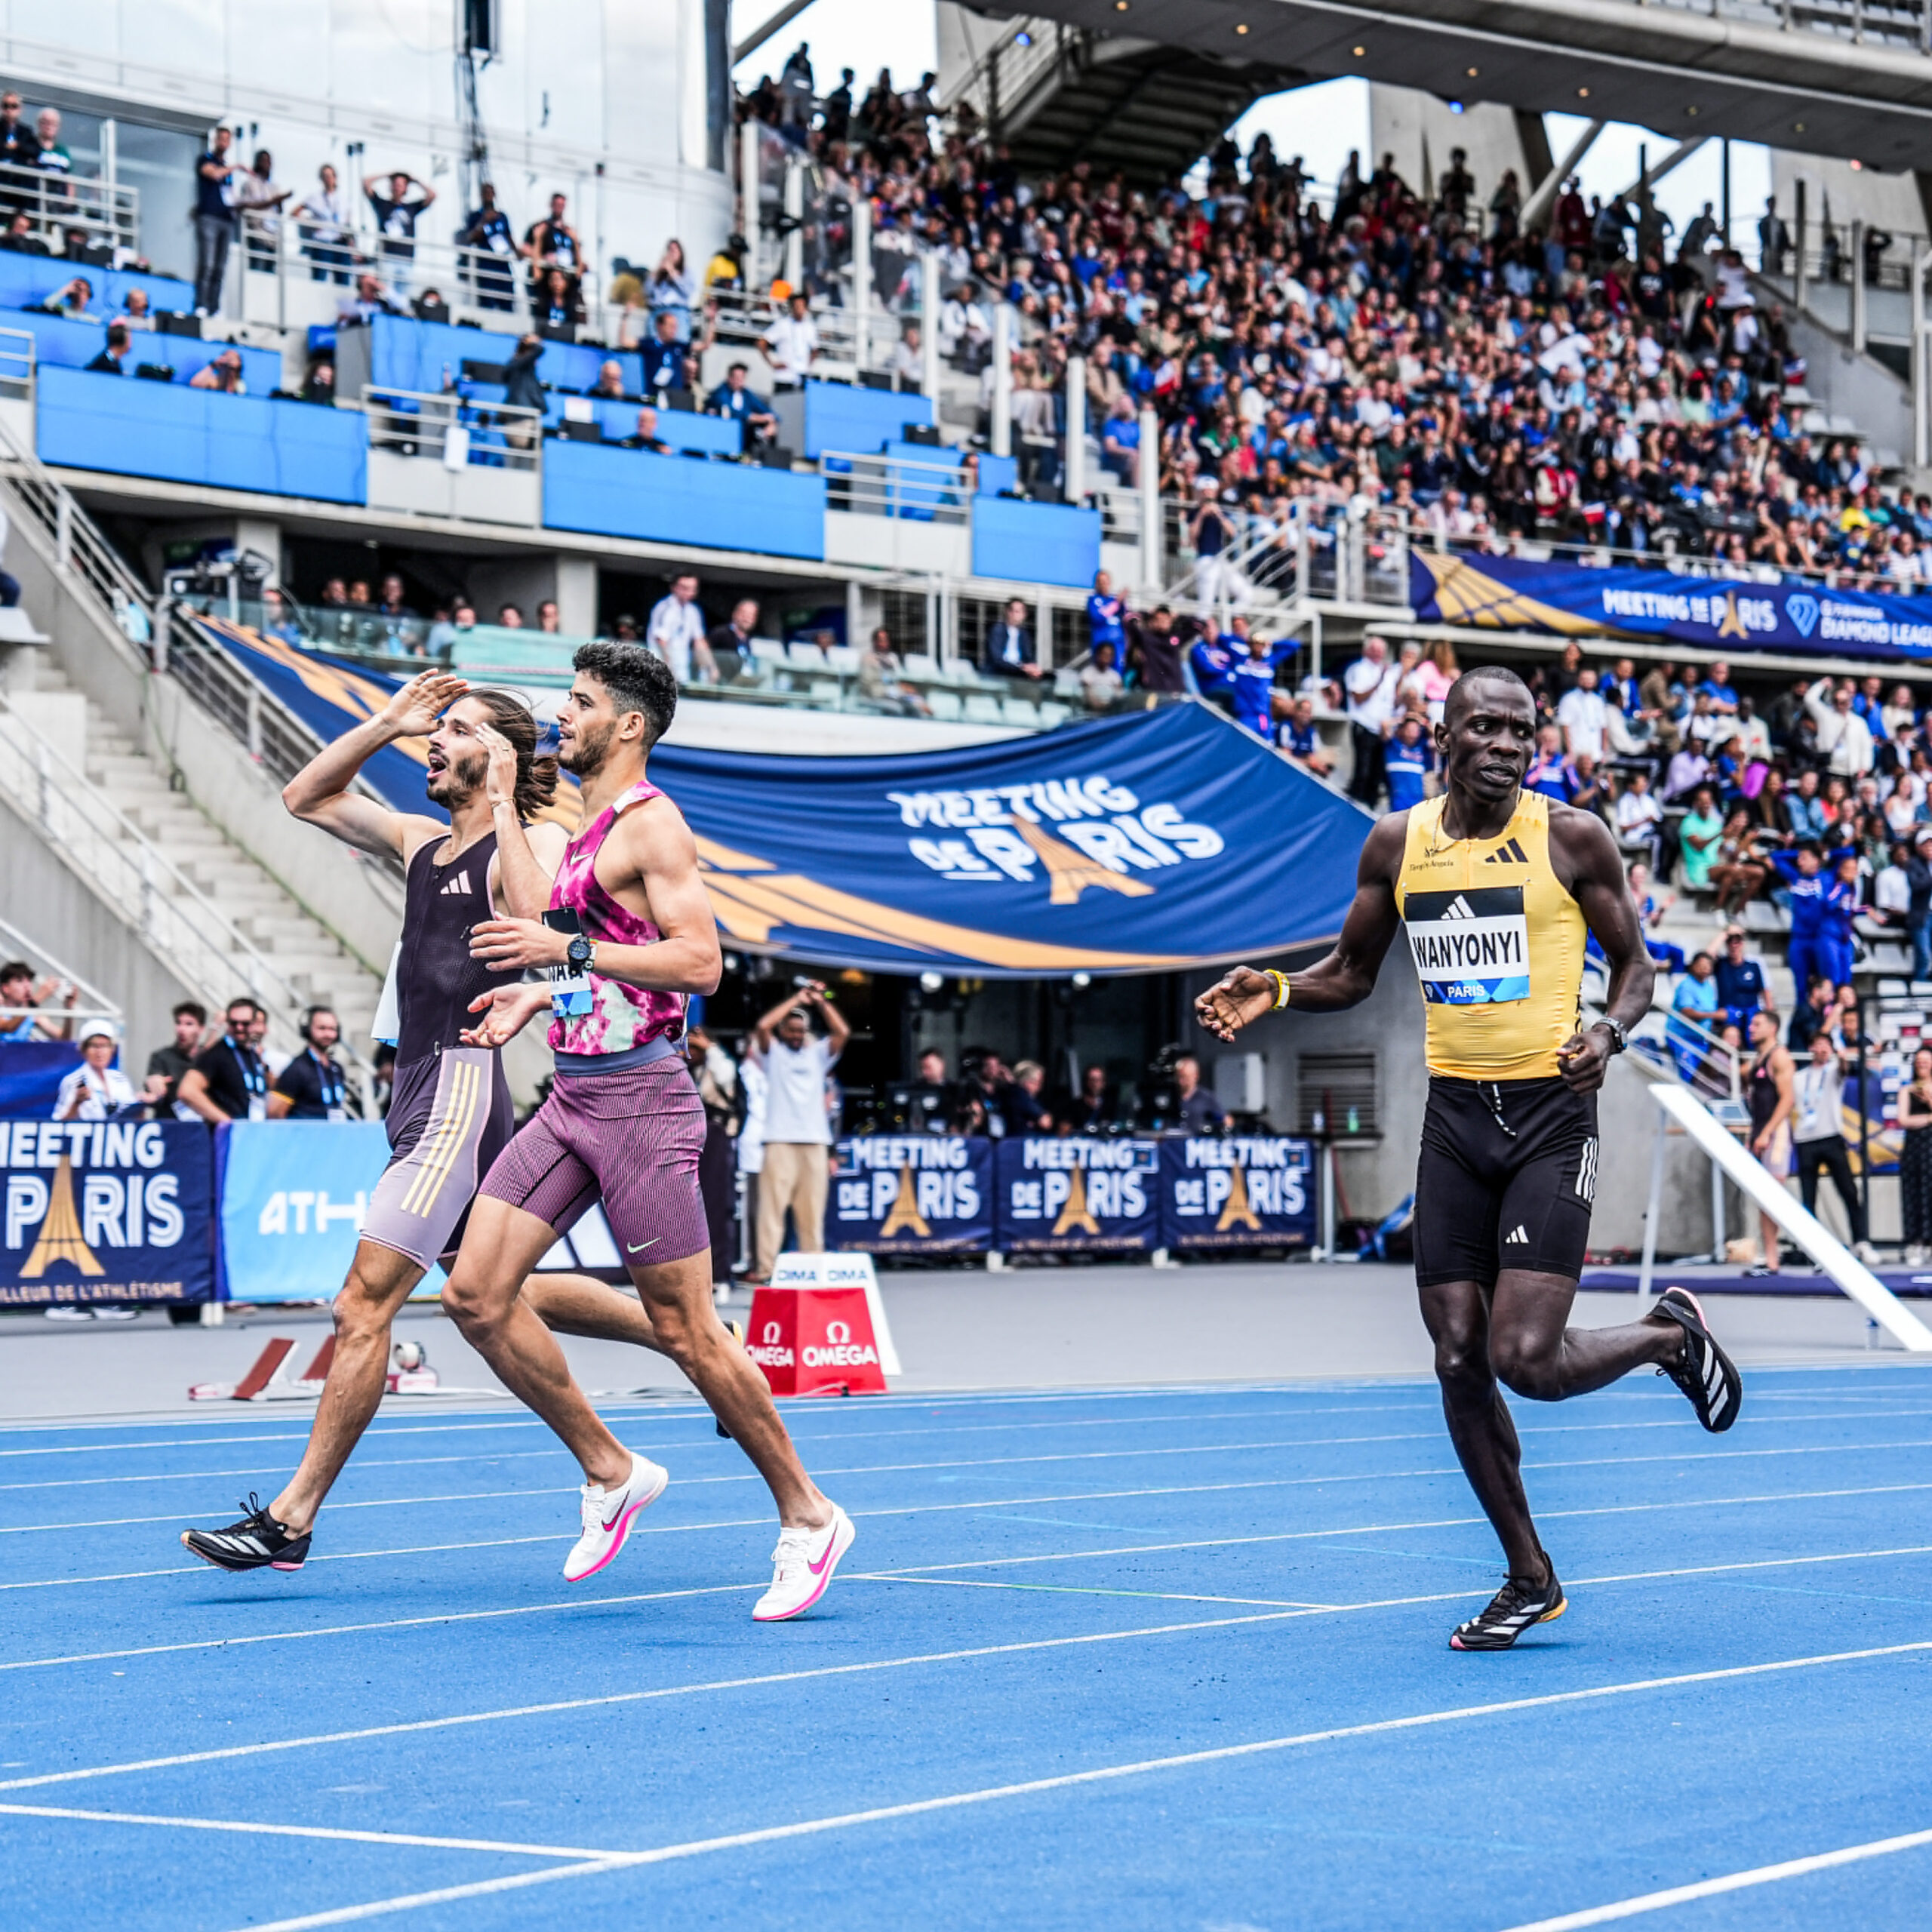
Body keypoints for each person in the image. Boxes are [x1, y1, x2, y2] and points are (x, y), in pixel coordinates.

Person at [1195, 665, 1740, 1651]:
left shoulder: (1571, 838)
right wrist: (1273, 988)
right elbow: (1352, 974)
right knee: (1456, 1358)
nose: (1502, 745)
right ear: (1437, 735)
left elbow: (1638, 968)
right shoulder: (1399, 844)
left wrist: (1609, 1035)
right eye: (1481, 727)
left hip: (1549, 1118)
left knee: (1522, 1358)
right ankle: (1528, 1574)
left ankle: (1667, 1335)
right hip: (1454, 1123)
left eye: (1519, 732)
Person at [180, 673, 664, 1574]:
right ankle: (661, 1376)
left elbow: (547, 925)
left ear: (505, 756)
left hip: (461, 1087)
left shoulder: (540, 837)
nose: (434, 741)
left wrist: (508, 803)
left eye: (456, 729)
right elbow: (305, 796)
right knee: (496, 1295)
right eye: (434, 728)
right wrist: (385, 723)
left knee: (363, 1304)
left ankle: (291, 1519)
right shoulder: (419, 842)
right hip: (417, 1093)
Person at [445, 641, 855, 1620]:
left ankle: (808, 1515)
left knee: (684, 1326)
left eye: (580, 705)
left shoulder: (651, 826)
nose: (564, 719)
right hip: (573, 1094)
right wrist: (533, 1000)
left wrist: (561, 950)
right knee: (473, 1295)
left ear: (629, 724)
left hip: (643, 1102)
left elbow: (699, 965)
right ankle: (611, 1466)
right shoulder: (586, 831)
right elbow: (586, 955)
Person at [746, 979, 849, 1283]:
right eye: (791, 1030)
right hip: (778, 1139)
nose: (796, 1035)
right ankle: (766, 1269)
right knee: (771, 1212)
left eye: (800, 1031)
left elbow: (841, 1032)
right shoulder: (772, 1053)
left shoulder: (817, 1053)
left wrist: (820, 1002)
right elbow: (763, 1025)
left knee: (811, 1211)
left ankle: (812, 1268)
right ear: (784, 1032)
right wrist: (797, 999)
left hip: (815, 1141)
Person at [1791, 1029, 1875, 1259]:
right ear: (1810, 1048)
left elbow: (1842, 1069)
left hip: (1831, 1138)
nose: (1820, 1049)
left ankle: (1861, 1241)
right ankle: (1811, 1247)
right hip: (1805, 1140)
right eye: (1817, 1044)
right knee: (1808, 1197)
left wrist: (1839, 1055)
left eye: (1824, 1045)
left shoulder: (1833, 1073)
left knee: (1848, 1190)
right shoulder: (1799, 1077)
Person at [1743, 1010, 1795, 1276]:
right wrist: (1754, 1134)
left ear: (1772, 1028)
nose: (1751, 1028)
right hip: (1761, 1131)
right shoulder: (1758, 1059)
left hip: (1777, 1135)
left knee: (1774, 1198)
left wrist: (1767, 1133)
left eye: (1757, 1024)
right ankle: (1771, 1258)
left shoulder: (1779, 1056)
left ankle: (1788, 1254)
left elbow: (1787, 1100)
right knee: (1765, 1200)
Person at [175, 998, 269, 1124]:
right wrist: (226, 1121)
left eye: (245, 1023)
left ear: (254, 1024)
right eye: (233, 1023)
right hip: (226, 1136)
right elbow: (187, 1091)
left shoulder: (253, 1054)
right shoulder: (216, 1054)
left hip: (251, 1132)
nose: (239, 1028)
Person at [1341, 635, 1398, 807]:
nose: (1377, 654)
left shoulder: (1388, 673)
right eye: (1374, 650)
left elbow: (1389, 702)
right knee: (1362, 771)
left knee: (1377, 775)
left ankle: (1370, 809)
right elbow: (1358, 697)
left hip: (1380, 729)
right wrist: (1377, 682)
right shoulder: (1358, 669)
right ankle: (1355, 806)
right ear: (1366, 651)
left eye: (1380, 651)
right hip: (1363, 725)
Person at [269, 1008, 351, 1120]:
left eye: (332, 1029)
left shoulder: (336, 1068)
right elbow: (275, 1114)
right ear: (307, 1030)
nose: (327, 1034)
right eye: (322, 1028)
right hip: (304, 1135)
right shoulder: (296, 1069)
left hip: (333, 1134)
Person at [193, 125, 241, 315]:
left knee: (220, 268)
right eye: (221, 139)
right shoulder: (205, 159)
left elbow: (231, 195)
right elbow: (213, 173)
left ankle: (214, 307)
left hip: (226, 220)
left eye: (226, 140)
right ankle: (201, 304)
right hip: (209, 218)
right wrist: (236, 167)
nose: (223, 143)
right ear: (215, 140)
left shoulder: (227, 171)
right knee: (207, 264)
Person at [54, 1027, 139, 1121]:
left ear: (112, 1050)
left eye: (105, 1046)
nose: (99, 1052)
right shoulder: (72, 1081)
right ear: (84, 1050)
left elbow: (134, 1119)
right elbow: (59, 1124)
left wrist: (141, 1104)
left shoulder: (121, 1079)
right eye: (94, 1046)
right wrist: (76, 1103)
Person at [647, 571, 715, 685]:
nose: (689, 592)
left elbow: (699, 640)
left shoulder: (693, 611)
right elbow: (661, 640)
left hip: (682, 671)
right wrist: (669, 668)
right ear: (674, 588)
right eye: (684, 588)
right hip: (660, 667)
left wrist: (712, 667)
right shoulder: (664, 607)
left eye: (692, 589)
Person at [1897, 1045, 1932, 1265]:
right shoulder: (1906, 1091)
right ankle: (1914, 1243)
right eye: (1918, 1061)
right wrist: (1929, 1119)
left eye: (1926, 1061)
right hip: (1913, 1148)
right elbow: (1903, 1120)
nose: (1922, 1065)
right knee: (1912, 1193)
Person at [143, 1001, 207, 1118]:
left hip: (202, 1130)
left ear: (201, 1029)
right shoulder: (161, 1057)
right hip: (170, 1129)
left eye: (189, 1024)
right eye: (178, 1023)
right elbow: (154, 1083)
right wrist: (153, 1084)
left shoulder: (208, 1059)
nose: (181, 1029)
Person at [0, 960, 75, 1041]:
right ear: (6, 988)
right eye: (20, 981)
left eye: (29, 980)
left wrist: (69, 1009)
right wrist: (38, 998)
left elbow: (64, 1039)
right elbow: (9, 1027)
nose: (27, 985)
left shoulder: (34, 1014)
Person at [983, 597, 1041, 680]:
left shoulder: (1024, 634)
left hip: (1018, 673)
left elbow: (1028, 657)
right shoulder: (998, 630)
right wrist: (1021, 667)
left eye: (1018, 612)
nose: (1014, 615)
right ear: (1007, 612)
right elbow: (997, 659)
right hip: (999, 673)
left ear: (1024, 615)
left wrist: (1032, 667)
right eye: (1012, 611)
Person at [1171, 1053, 1226, 1134]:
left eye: (1185, 1077)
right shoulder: (1170, 1096)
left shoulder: (1206, 1097)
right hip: (1172, 1141)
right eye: (1178, 1077)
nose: (1181, 1082)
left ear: (1196, 1076)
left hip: (1197, 1141)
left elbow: (1224, 1119)